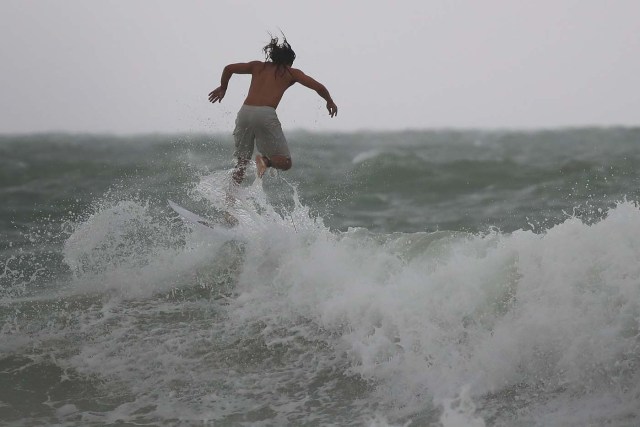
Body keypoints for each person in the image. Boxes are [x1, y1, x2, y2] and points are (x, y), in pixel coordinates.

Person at [208, 36, 338, 184]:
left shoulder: (258, 66)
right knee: (286, 162)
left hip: (245, 112)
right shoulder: (290, 72)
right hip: (265, 114)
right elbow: (318, 87)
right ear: (289, 61)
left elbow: (228, 68)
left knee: (241, 163)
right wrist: (329, 101)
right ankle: (265, 161)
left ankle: (229, 202)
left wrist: (223, 87)